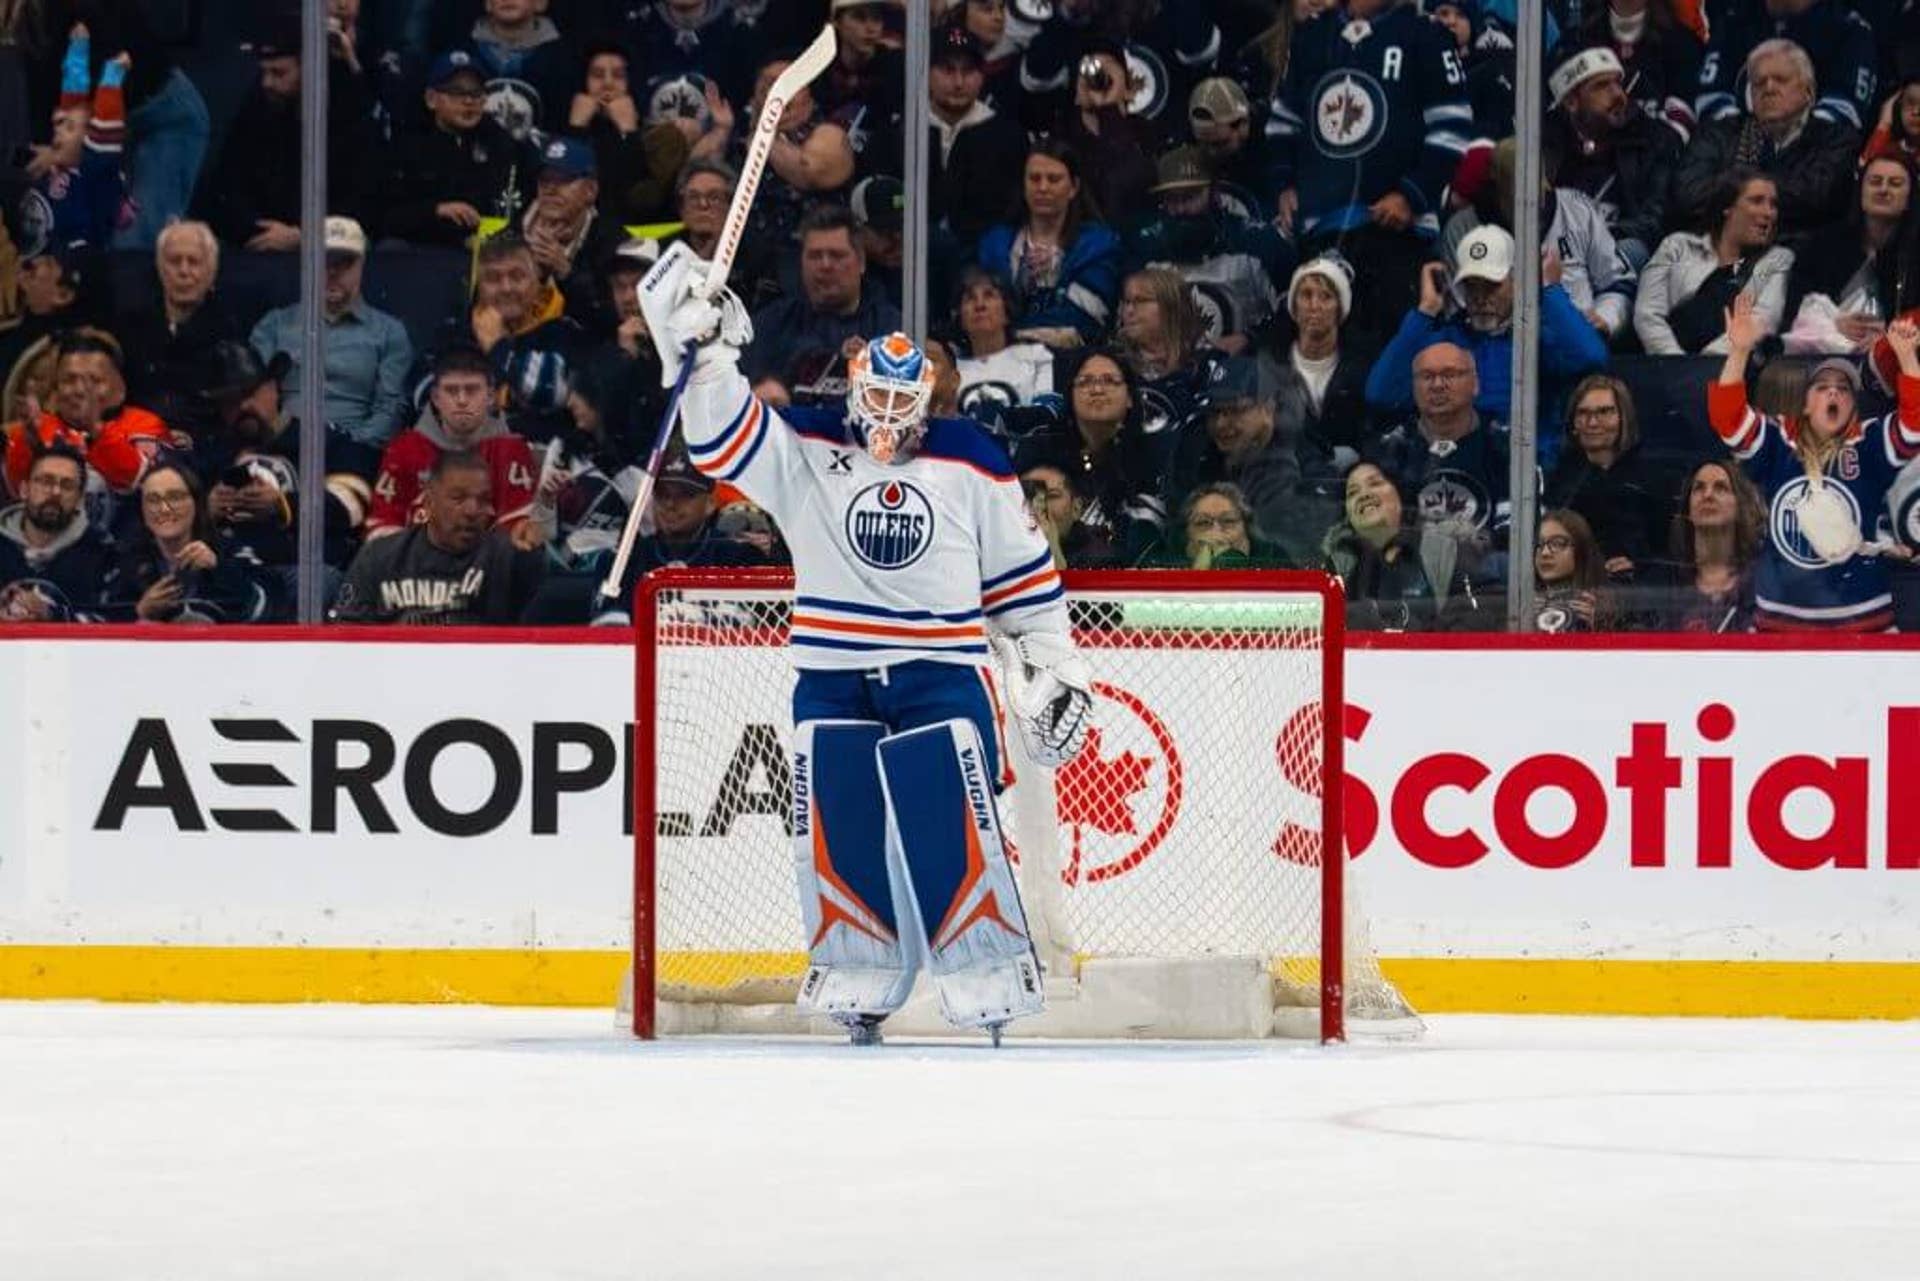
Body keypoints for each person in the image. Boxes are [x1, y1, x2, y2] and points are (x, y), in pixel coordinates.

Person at [646, 247, 1091, 1045]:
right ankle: (858, 967)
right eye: (875, 395)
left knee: (950, 815)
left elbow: (1025, 577)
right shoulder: (805, 443)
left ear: (930, 396)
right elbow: (717, 447)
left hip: (940, 667)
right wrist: (707, 357)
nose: (887, 414)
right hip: (832, 671)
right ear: (853, 386)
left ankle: (985, 968)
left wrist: (1056, 663)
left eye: (902, 398)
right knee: (837, 817)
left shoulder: (972, 456)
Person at [1265, 0, 1473, 345]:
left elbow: (1452, 126)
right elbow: (1285, 120)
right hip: (1321, 231)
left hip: (1397, 235)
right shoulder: (1312, 36)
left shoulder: (1426, 35)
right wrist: (1285, 183)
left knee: (1392, 353)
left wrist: (1411, 195)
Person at [1711, 294, 1920, 631]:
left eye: (1843, 390)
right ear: (1805, 404)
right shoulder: (1779, 441)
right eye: (1822, 388)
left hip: (1864, 626)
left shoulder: (1869, 445)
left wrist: (1907, 359)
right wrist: (1738, 352)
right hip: (1778, 629)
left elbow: (1914, 425)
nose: (1834, 394)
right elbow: (1728, 419)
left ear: (1854, 406)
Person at [1366, 225, 1607, 450]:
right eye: (1471, 286)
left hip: (1525, 474)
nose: (1480, 297)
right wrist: (1426, 310)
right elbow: (1382, 394)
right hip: (1455, 468)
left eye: (1491, 286)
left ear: (1517, 281)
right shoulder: (1446, 341)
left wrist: (1549, 291)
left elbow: (1592, 360)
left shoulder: (1539, 337)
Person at [249, 217, 413, 451]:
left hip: (355, 451)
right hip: (281, 445)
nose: (333, 271)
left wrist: (350, 448)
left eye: (344, 262)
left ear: (361, 266)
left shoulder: (389, 332)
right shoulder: (274, 325)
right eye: (323, 261)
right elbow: (254, 396)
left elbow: (390, 409)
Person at [1670, 39, 1857, 242]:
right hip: (1715, 246)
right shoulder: (1719, 133)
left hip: (1797, 252)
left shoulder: (1836, 139)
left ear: (1809, 93)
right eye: (1759, 82)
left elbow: (1814, 197)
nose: (1768, 88)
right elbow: (1687, 194)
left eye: (1781, 79)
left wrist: (1732, 193)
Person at [333, 450, 547, 625]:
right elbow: (346, 631)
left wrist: (532, 548)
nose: (472, 511)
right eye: (458, 498)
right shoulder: (380, 556)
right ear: (428, 503)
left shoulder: (505, 555)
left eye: (483, 499)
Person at [1124, 147, 1293, 356]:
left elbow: (1295, 313)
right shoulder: (1145, 251)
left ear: (1214, 193)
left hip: (1246, 374)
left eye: (1190, 197)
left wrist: (1251, 338)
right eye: (1171, 199)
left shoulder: (1258, 243)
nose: (1181, 208)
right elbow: (1127, 325)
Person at [1009, 349, 1169, 562]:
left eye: (1110, 381)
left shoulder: (1152, 456)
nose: (1096, 389)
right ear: (1070, 395)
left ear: (1130, 397)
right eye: (1085, 382)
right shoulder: (1037, 451)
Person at [368, 346, 538, 544]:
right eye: (451, 391)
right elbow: (381, 525)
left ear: (491, 397)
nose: (462, 400)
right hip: (415, 568)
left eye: (472, 390)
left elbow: (518, 528)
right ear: (436, 398)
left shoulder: (511, 449)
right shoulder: (405, 448)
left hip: (486, 568)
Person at [1543, 43, 1682, 273]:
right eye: (1601, 86)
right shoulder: (1544, 142)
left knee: (1631, 250)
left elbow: (1655, 219)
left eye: (1618, 82)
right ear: (1571, 102)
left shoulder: (1654, 139)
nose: (1618, 94)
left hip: (1619, 254)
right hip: (1554, 255)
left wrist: (1594, 240)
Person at [742, 204, 902, 400]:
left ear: (861, 262)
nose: (825, 265)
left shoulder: (891, 328)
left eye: (837, 255)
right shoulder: (771, 324)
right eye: (815, 256)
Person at [976, 139, 1121, 349]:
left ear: (1073, 187)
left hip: (1073, 359)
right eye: (1034, 179)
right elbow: (982, 312)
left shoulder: (1098, 244)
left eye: (1053, 179)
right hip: (1001, 356)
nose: (1043, 187)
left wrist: (1058, 269)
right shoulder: (994, 243)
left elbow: (1087, 317)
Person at [1635, 168, 1795, 356]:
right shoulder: (1677, 246)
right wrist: (1675, 361)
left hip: (1730, 369)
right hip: (1667, 365)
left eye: (1773, 205)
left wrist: (1707, 365)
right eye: (1757, 201)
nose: (1769, 212)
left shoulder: (1777, 259)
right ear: (1728, 207)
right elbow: (1648, 314)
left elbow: (1762, 319)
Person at [382, 50, 531, 250]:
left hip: (486, 250)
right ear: (431, 99)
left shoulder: (499, 142)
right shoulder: (408, 143)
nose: (469, 101)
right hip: (422, 248)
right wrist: (436, 210)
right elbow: (385, 216)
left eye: (476, 93)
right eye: (456, 92)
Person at [1782, 156, 1920, 357]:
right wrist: (1832, 324)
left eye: (1895, 184)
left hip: (1899, 358)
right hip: (1821, 356)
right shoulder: (1821, 244)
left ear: (1910, 197)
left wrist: (1890, 336)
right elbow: (1792, 311)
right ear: (1860, 190)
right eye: (1875, 182)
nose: (1883, 190)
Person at [102, 462, 272, 624]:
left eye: (175, 497)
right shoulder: (123, 563)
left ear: (196, 504)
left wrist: (219, 569)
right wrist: (140, 613)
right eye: (153, 500)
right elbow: (101, 629)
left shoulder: (231, 551)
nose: (165, 509)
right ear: (142, 510)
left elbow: (266, 610)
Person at [1321, 460, 1475, 631]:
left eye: (1375, 483)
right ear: (1348, 516)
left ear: (1400, 497)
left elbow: (1475, 614)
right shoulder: (1335, 566)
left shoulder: (1444, 549)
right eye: (1352, 493)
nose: (1364, 495)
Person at [1545, 374, 1673, 579]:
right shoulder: (1560, 480)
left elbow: (1670, 549)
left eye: (1604, 412)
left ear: (1624, 417)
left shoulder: (1654, 477)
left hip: (1642, 590)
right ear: (1573, 423)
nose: (1592, 422)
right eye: (1583, 413)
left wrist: (1639, 565)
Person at [115, 219, 238, 431]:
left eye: (194, 262)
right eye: (174, 261)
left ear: (211, 271)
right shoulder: (130, 325)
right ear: (160, 268)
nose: (184, 271)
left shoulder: (228, 331)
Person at [1694, 0, 1876, 133]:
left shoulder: (1849, 30)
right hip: (1736, 155)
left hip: (1814, 161)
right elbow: (1711, 96)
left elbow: (1845, 109)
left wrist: (1789, 144)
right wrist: (1747, 141)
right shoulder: (1734, 20)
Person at [928, 20, 1028, 250]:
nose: (959, 82)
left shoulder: (1008, 136)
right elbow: (896, 197)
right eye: (948, 70)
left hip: (985, 256)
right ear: (927, 72)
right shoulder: (903, 131)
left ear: (982, 76)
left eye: (968, 71)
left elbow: (1012, 209)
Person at [567, 41, 688, 225]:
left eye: (618, 76)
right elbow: (563, 197)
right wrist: (575, 130)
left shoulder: (663, 138)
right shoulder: (568, 133)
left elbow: (644, 203)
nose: (607, 84)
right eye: (597, 75)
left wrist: (629, 133)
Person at [1636, 458, 1762, 632]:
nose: (1708, 495)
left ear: (1741, 506)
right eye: (1699, 488)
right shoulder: (1659, 584)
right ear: (1688, 509)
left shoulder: (1765, 582)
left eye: (1721, 488)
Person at [0, 440, 114, 622]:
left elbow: (112, 624)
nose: (55, 492)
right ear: (24, 490)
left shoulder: (103, 551)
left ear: (79, 499)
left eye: (67, 485)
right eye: (45, 481)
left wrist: (53, 615)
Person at [950, 266, 1053, 430]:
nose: (980, 305)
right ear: (959, 316)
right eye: (970, 298)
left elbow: (1048, 413)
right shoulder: (950, 369)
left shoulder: (1037, 356)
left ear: (1007, 310)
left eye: (989, 295)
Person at [1021, 461, 1117, 569]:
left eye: (1051, 496)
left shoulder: (1100, 560)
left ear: (1076, 508)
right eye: (1027, 495)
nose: (1036, 506)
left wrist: (1053, 550)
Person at [1532, 508, 1612, 633]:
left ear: (1581, 550)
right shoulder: (1517, 602)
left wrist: (1599, 628)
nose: (1545, 553)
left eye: (1558, 543)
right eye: (1539, 544)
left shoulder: (1605, 604)